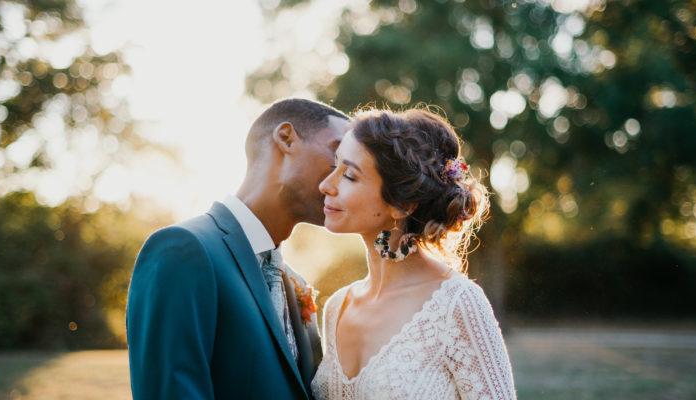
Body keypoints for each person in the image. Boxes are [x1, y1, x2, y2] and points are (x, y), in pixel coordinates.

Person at [126, 98, 350, 399]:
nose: (347, 177)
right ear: (286, 139)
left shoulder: (295, 282)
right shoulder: (183, 250)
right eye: (338, 155)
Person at [312, 107, 516, 399]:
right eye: (334, 167)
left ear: (402, 204)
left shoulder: (457, 304)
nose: (325, 185)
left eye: (350, 176)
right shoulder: (336, 308)